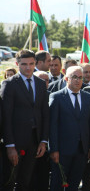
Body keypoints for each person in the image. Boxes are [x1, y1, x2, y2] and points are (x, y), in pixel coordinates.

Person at [1, 49, 49, 190]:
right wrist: (10, 146)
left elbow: (45, 114)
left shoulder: (40, 84)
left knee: (26, 181)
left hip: (34, 142)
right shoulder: (9, 84)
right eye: (24, 64)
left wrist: (43, 141)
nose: (28, 67)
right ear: (17, 64)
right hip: (15, 143)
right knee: (8, 182)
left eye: (31, 63)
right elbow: (6, 117)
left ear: (35, 63)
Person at [49, 66, 90, 191]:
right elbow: (52, 125)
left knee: (74, 184)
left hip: (82, 150)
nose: (77, 80)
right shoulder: (57, 97)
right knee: (58, 184)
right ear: (66, 78)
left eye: (80, 77)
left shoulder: (88, 97)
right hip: (62, 151)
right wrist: (53, 149)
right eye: (74, 77)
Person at [32, 71, 50, 191]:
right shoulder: (29, 95)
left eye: (46, 80)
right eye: (41, 80)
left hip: (45, 143)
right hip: (29, 142)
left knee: (43, 177)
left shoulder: (52, 96)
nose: (44, 83)